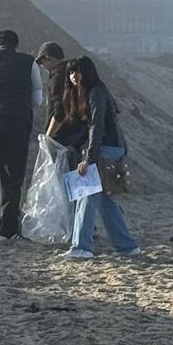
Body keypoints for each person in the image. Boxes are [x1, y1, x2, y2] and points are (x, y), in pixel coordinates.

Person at [59, 56, 141, 260]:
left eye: (77, 71)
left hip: (105, 149)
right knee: (107, 200)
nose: (73, 76)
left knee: (87, 197)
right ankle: (127, 246)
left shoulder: (95, 92)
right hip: (112, 148)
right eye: (70, 73)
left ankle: (81, 247)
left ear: (87, 72)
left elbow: (97, 126)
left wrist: (89, 158)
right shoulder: (92, 92)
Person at [0, 30, 43, 240]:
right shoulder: (29, 62)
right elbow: (38, 99)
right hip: (15, 120)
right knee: (12, 173)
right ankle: (8, 228)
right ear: (16, 45)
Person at [36, 41, 67, 138]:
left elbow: (60, 111)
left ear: (49, 58)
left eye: (42, 62)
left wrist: (49, 137)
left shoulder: (57, 78)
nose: (43, 66)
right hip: (75, 138)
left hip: (61, 136)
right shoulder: (72, 73)